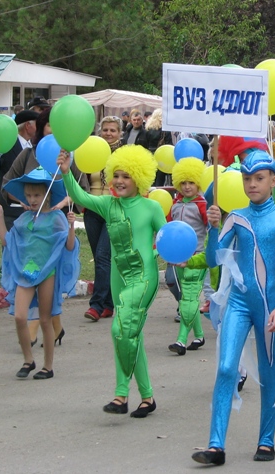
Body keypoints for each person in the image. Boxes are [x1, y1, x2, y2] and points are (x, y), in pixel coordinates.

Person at [192, 151, 275, 465]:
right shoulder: (236, 217)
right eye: (247, 179)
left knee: (267, 373)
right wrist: (213, 228)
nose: (252, 184)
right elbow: (215, 258)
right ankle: (215, 446)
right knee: (226, 368)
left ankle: (266, 441)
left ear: (274, 180)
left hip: (269, 306)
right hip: (238, 302)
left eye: (259, 178)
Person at [57, 144, 166, 418]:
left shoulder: (152, 207)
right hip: (119, 278)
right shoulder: (108, 205)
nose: (119, 181)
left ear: (139, 178)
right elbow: (79, 195)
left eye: (126, 176)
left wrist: (153, 254)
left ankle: (120, 394)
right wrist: (67, 172)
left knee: (120, 329)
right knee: (131, 334)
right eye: (115, 175)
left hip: (143, 276)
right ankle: (147, 397)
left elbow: (166, 241)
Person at [0, 168, 80, 381]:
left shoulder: (56, 218)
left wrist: (71, 225)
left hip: (47, 272)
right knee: (19, 316)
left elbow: (69, 246)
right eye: (29, 195)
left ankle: (48, 366)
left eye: (37, 195)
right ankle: (28, 359)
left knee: (45, 320)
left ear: (48, 195)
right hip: (26, 273)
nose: (32, 199)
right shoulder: (23, 219)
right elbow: (7, 241)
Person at [168, 157, 209, 355]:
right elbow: (167, 227)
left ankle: (181, 340)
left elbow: (211, 227)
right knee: (188, 297)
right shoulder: (175, 204)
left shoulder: (202, 204)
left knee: (189, 299)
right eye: (183, 182)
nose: (186, 187)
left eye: (191, 182)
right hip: (177, 259)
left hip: (196, 258)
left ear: (198, 183)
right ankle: (199, 335)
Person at [84, 116, 121, 322]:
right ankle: (108, 304)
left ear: (119, 133)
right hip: (92, 208)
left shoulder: (124, 154)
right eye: (105, 130)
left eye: (112, 130)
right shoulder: (91, 149)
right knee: (100, 257)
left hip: (114, 209)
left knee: (103, 255)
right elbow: (82, 176)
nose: (108, 133)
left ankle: (96, 305)